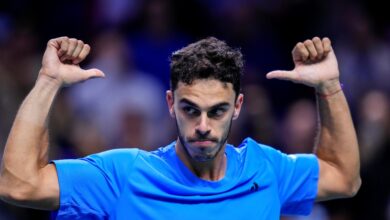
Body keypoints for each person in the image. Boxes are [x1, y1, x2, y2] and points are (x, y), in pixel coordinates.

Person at [0, 36, 361, 219]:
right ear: (171, 103)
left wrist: (329, 86)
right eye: (191, 109)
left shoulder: (265, 168)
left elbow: (344, 178)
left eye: (217, 111)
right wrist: (48, 80)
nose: (203, 126)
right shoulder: (124, 175)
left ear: (237, 107)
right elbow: (18, 185)